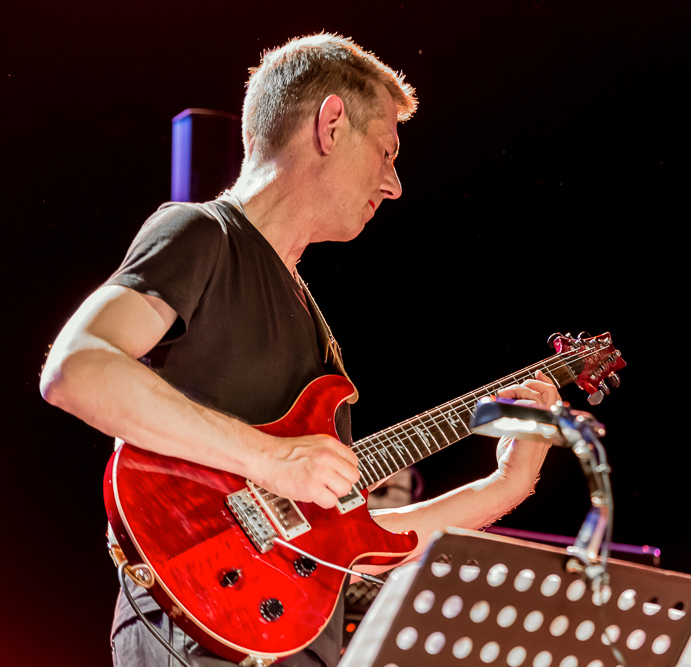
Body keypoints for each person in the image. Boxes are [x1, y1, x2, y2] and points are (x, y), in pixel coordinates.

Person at [39, 33, 557, 667]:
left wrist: (507, 484)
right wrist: (272, 459)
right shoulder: (203, 234)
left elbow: (355, 545)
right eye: (386, 152)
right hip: (194, 634)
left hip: (296, 642)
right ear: (331, 124)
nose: (394, 184)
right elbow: (77, 367)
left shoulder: (313, 328)